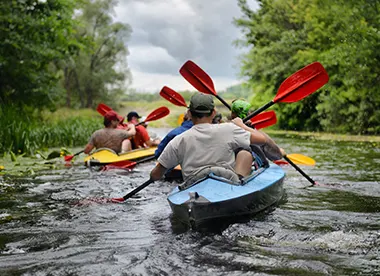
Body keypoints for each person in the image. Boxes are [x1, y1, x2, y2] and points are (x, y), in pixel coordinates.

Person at [150, 93, 272, 185]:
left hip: (193, 183)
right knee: (245, 153)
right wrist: (242, 125)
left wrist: (152, 177)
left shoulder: (178, 140)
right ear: (213, 113)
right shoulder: (229, 129)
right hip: (227, 181)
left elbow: (156, 174)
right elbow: (262, 140)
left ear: (189, 114)